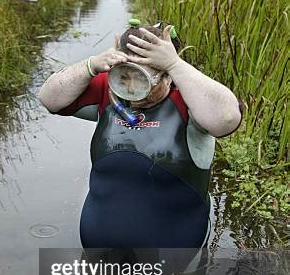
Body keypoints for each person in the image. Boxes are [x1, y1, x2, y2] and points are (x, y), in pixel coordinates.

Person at [38, 19, 242, 249]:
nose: (133, 90)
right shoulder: (110, 91)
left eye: (144, 79)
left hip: (176, 259)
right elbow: (49, 99)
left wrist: (175, 64)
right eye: (125, 76)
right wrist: (91, 65)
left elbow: (227, 119)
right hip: (100, 252)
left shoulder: (191, 102)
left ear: (168, 77)